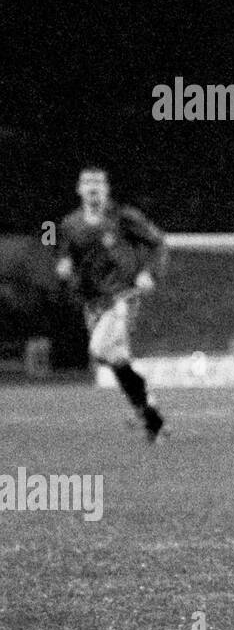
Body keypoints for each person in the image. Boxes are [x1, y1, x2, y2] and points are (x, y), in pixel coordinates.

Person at [53, 167, 168, 441]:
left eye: (98, 183)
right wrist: (64, 264)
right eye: (88, 183)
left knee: (99, 349)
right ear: (78, 189)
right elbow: (63, 251)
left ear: (107, 189)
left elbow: (158, 242)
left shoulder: (124, 217)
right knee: (116, 360)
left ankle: (148, 409)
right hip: (91, 302)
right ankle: (151, 416)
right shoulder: (69, 224)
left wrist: (148, 273)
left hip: (121, 297)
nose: (93, 188)